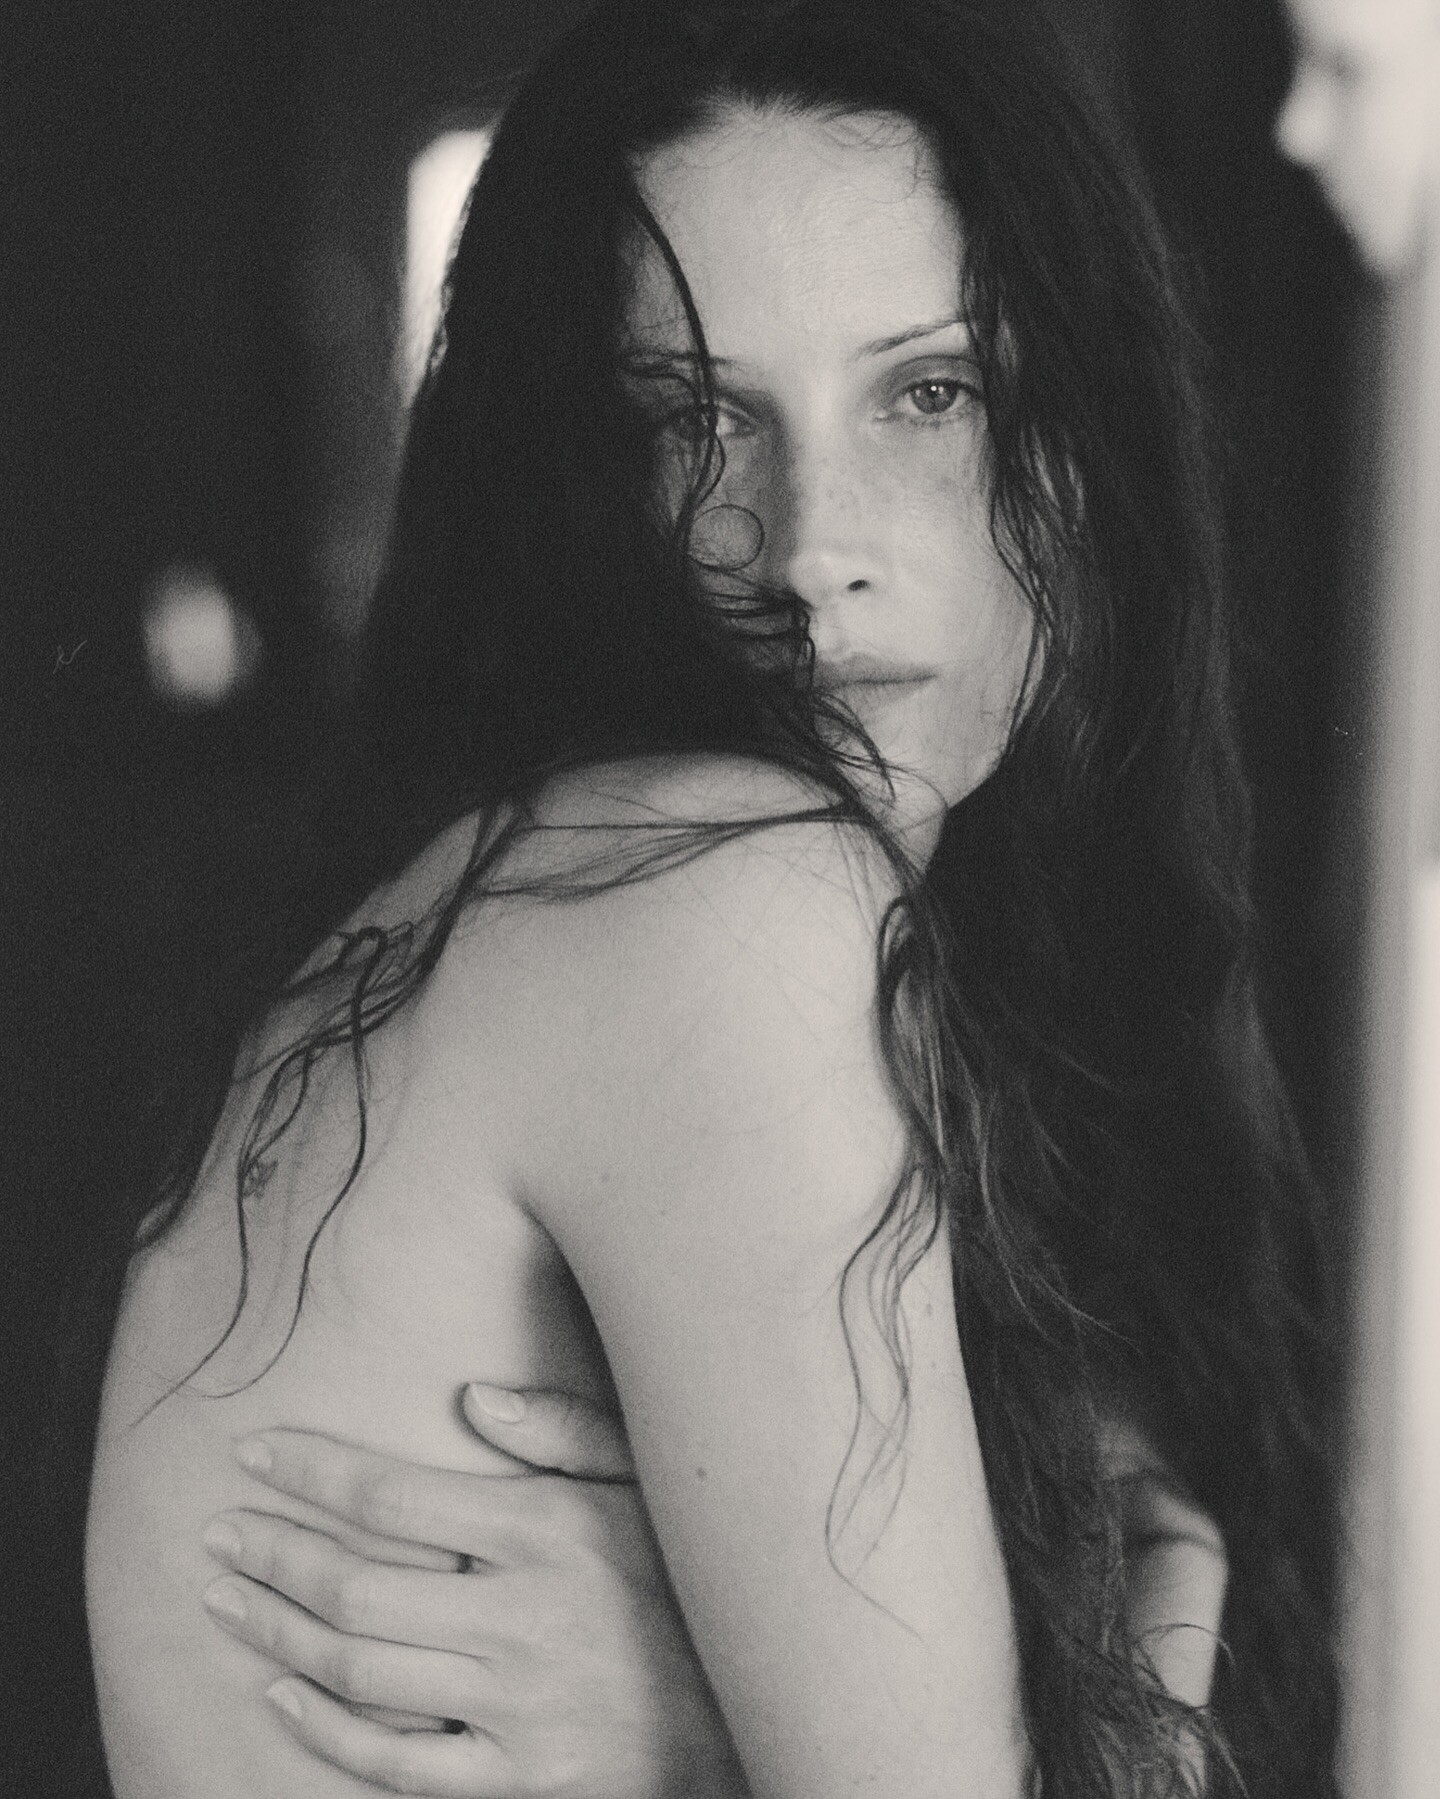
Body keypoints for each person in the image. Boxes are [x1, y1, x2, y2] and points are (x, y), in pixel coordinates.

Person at [84, 2, 1336, 1795]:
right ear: (585, 478)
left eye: (931, 393)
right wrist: (1115, 1646)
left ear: (1086, 444)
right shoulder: (723, 900)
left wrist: (697, 1709)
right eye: (695, 419)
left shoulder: (633, 904)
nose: (811, 542)